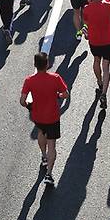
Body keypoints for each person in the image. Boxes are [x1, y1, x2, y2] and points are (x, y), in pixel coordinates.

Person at [20, 52, 69, 187]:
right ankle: (49, 174)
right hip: (52, 116)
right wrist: (57, 95)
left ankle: (43, 156)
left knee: (41, 133)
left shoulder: (29, 80)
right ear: (47, 64)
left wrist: (30, 106)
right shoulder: (55, 78)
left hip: (38, 115)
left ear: (35, 64)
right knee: (52, 144)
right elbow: (65, 94)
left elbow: (22, 101)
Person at [83, 0, 110, 108]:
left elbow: (86, 21)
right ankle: (104, 94)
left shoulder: (87, 8)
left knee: (96, 60)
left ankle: (99, 81)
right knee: (106, 67)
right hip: (107, 40)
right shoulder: (107, 6)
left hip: (94, 41)